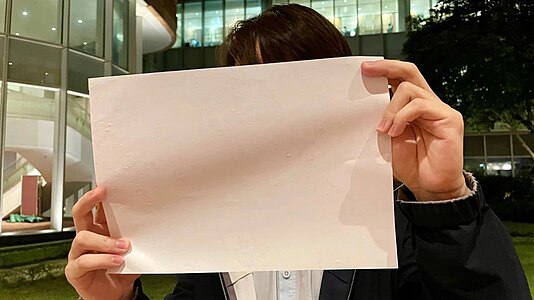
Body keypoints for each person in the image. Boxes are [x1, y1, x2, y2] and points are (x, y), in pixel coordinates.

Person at [65, 4, 531, 300]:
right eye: (251, 94)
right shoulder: (211, 227)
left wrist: (446, 199)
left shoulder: (399, 225)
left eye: (301, 89)